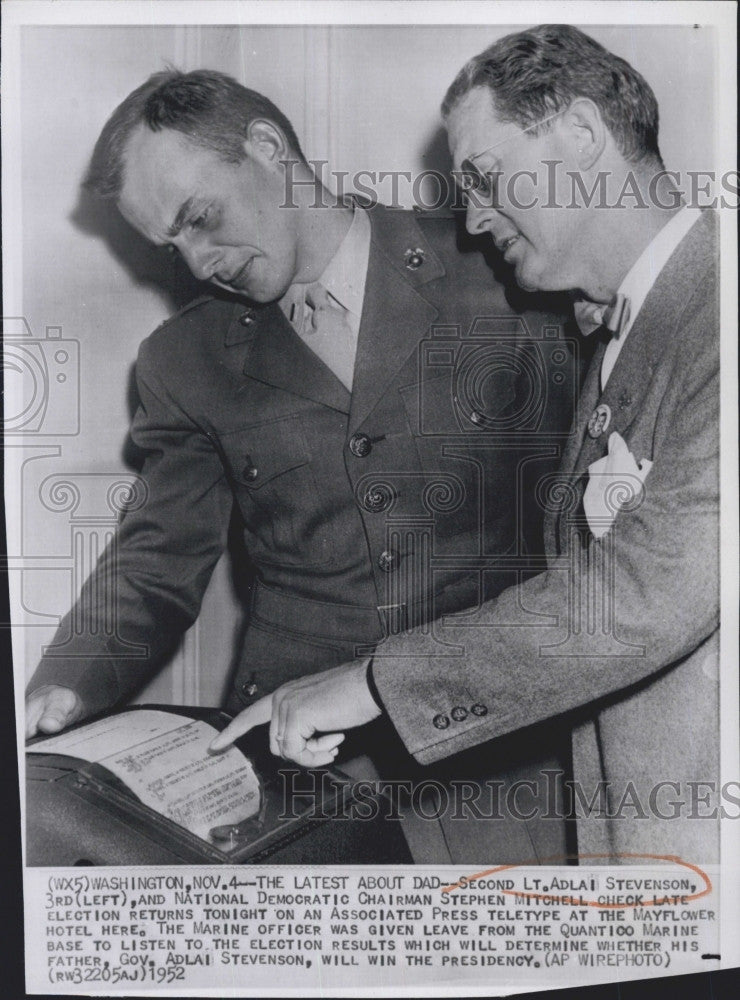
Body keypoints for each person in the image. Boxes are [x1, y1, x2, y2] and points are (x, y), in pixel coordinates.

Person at [25, 69, 577, 863]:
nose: (198, 261)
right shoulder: (182, 360)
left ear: (269, 148)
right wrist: (68, 682)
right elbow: (155, 558)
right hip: (290, 761)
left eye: (201, 219)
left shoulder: (497, 270)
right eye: (172, 245)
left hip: (496, 745)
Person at [213, 25, 721, 863]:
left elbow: (645, 593)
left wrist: (372, 683)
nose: (476, 218)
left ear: (584, 136)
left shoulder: (717, 311)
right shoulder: (615, 331)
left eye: (485, 177)